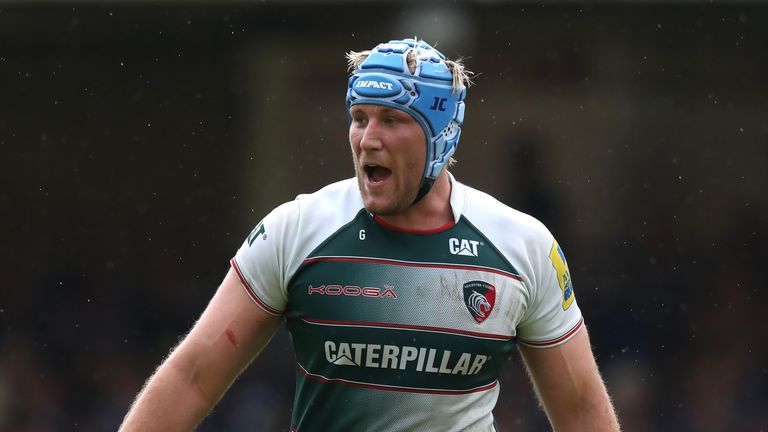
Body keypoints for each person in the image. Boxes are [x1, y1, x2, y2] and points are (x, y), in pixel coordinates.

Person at [120, 38, 620, 431]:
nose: (368, 139)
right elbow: (192, 378)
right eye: (359, 118)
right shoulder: (297, 229)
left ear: (441, 136)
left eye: (392, 120)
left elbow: (579, 410)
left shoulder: (522, 246)